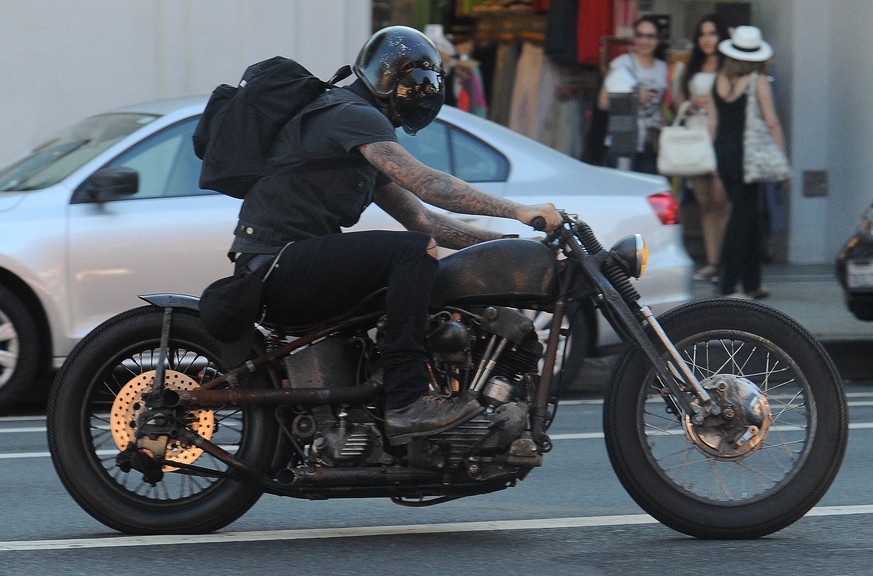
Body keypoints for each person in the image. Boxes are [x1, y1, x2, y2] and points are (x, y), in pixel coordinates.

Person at [223, 26, 562, 445]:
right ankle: (406, 400)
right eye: (414, 79)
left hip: (292, 263)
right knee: (413, 254)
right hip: (276, 264)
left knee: (422, 262)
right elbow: (427, 185)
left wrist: (506, 247)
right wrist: (519, 211)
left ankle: (389, 397)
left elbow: (423, 219)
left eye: (425, 81)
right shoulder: (351, 114)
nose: (422, 89)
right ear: (389, 77)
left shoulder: (358, 137)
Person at [710, 26, 787, 299]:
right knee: (741, 221)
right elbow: (772, 123)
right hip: (747, 157)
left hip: (723, 153)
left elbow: (713, 123)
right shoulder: (758, 80)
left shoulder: (718, 80)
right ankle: (727, 284)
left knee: (751, 217)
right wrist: (782, 162)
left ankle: (753, 283)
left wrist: (714, 162)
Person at [676, 15, 731, 282]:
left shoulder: (730, 66)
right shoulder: (692, 66)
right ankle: (712, 262)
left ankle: (727, 264)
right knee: (705, 204)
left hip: (720, 136)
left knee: (722, 201)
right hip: (695, 137)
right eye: (703, 34)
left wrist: (711, 103)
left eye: (712, 33)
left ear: (721, 37)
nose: (707, 39)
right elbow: (678, 102)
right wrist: (690, 103)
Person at [597, 15, 669, 174]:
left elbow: (661, 107)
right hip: (623, 138)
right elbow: (603, 102)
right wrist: (634, 96)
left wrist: (664, 134)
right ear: (634, 38)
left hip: (651, 141)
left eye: (650, 36)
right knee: (622, 190)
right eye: (640, 35)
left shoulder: (663, 68)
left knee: (648, 191)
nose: (645, 41)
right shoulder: (621, 63)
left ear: (658, 39)